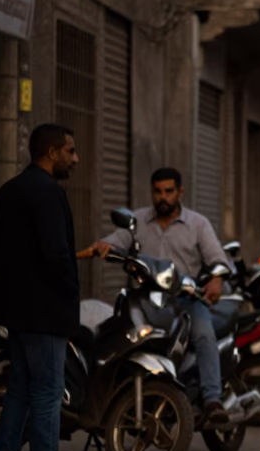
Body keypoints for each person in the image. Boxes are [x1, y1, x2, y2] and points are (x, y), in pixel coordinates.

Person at [0, 123, 90, 451]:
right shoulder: (48, 193)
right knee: (48, 391)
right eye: (70, 151)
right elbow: (55, 254)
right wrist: (69, 296)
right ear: (51, 153)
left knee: (19, 390)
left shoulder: (10, 191)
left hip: (16, 312)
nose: (75, 159)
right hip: (45, 312)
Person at [86, 168, 231, 425]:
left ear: (180, 192)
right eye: (157, 191)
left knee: (203, 334)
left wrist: (216, 280)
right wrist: (101, 246)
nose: (163, 197)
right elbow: (115, 242)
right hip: (145, 300)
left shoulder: (198, 224)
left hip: (186, 299)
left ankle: (212, 400)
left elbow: (217, 259)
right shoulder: (138, 221)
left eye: (168, 191)